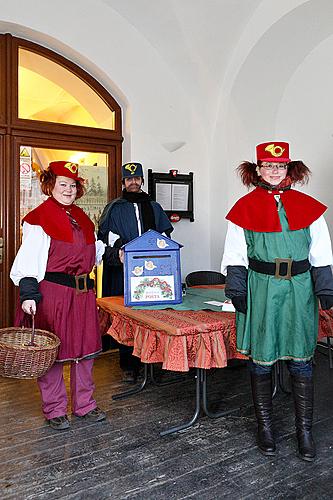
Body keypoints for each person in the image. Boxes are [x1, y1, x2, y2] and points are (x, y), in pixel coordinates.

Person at [221, 141, 333, 461]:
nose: (274, 171)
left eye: (280, 166)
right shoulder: (244, 207)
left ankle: (305, 431)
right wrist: (237, 289)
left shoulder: (308, 206)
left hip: (299, 287)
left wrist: (325, 286)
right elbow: (236, 253)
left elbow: (320, 250)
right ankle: (265, 427)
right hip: (262, 287)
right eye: (268, 166)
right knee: (262, 357)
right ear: (258, 169)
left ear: (289, 168)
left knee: (301, 359)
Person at [10, 161, 106, 431]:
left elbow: (94, 253)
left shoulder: (83, 219)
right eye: (63, 184)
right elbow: (27, 261)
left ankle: (85, 405)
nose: (68, 189)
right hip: (53, 294)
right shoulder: (39, 218)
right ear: (50, 185)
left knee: (85, 351)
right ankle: (54, 410)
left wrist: (118, 254)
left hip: (83, 294)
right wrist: (28, 294)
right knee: (52, 353)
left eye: (73, 185)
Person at [98, 162, 173, 383]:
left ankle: (151, 360)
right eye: (129, 179)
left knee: (151, 316)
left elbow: (165, 234)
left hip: (152, 272)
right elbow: (105, 238)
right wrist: (122, 250)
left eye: (137, 178)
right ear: (123, 182)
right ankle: (128, 365)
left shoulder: (154, 206)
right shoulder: (114, 208)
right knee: (127, 317)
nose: (133, 182)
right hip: (124, 271)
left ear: (142, 181)